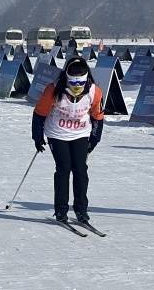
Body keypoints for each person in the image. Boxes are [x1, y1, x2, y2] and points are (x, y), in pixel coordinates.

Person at [31, 57, 104, 224]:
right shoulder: (53, 89)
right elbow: (39, 113)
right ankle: (61, 210)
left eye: (80, 83)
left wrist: (95, 138)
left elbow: (98, 117)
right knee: (64, 168)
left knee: (80, 169)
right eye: (73, 82)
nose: (77, 87)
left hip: (80, 133)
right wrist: (37, 136)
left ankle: (81, 210)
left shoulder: (94, 91)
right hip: (57, 133)